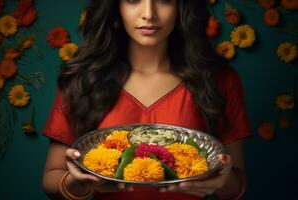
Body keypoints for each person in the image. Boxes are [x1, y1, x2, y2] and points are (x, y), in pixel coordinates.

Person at [42, 0, 252, 199]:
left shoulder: (219, 80)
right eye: (133, 0)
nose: (149, 14)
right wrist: (78, 184)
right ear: (116, 7)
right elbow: (52, 177)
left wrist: (220, 181)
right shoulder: (82, 80)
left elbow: (236, 185)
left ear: (181, 6)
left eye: (164, 0)